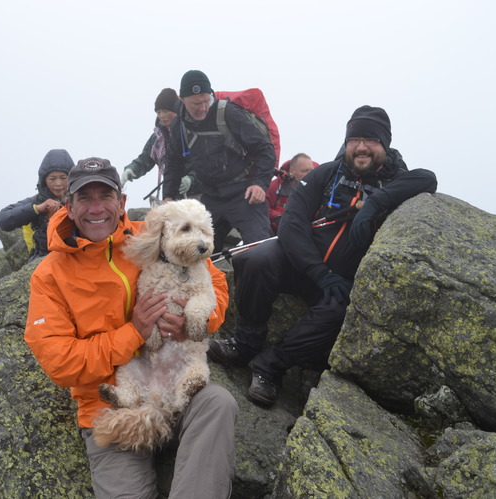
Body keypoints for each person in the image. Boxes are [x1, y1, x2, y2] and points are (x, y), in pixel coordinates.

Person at [24, 157, 238, 498]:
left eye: (105, 196)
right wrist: (133, 333)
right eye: (85, 198)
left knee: (218, 403)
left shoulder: (150, 235)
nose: (97, 208)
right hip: (112, 407)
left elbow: (212, 279)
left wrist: (192, 324)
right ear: (69, 205)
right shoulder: (49, 275)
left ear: (121, 202)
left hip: (175, 384)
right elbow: (60, 362)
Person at [207, 105, 438, 408]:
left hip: (341, 282)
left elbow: (428, 178)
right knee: (255, 258)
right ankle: (245, 343)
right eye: (354, 139)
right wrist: (318, 271)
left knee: (341, 313)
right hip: (307, 267)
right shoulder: (326, 174)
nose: (361, 147)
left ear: (385, 144)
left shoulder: (396, 180)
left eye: (371, 140)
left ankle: (270, 366)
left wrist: (376, 201)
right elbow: (290, 223)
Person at [163, 70, 276, 252]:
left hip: (244, 193)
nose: (202, 108)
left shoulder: (229, 113)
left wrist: (260, 184)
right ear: (182, 100)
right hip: (210, 196)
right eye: (195, 103)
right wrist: (168, 196)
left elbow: (265, 149)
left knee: (260, 251)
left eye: (206, 101)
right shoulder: (179, 125)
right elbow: (174, 162)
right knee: (200, 254)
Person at [120, 88, 199, 200]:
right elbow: (145, 159)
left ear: (176, 110)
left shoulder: (191, 132)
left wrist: (191, 179)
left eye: (166, 111)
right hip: (171, 196)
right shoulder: (157, 138)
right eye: (158, 112)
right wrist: (131, 169)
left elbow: (207, 163)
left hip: (199, 196)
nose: (162, 115)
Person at [0, 149, 74, 261]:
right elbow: (3, 219)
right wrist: (37, 209)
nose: (58, 183)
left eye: (63, 178)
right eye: (52, 178)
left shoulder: (80, 199)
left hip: (75, 256)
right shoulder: (37, 201)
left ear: (71, 178)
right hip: (41, 259)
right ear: (44, 180)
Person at [267, 153, 316, 234]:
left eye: (311, 171)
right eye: (305, 171)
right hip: (276, 231)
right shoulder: (275, 186)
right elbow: (263, 208)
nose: (309, 174)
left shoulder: (317, 186)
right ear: (292, 171)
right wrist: (277, 217)